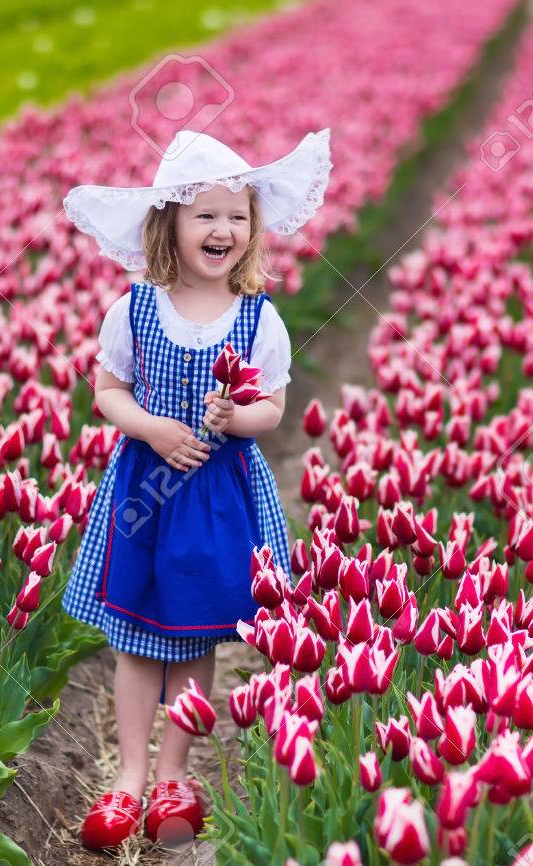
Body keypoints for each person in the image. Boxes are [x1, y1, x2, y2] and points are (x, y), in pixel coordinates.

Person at [59, 127, 331, 849]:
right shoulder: (136, 308)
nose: (223, 229)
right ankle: (128, 778)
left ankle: (175, 773)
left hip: (217, 495)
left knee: (192, 635)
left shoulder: (257, 316)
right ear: (168, 225)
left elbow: (273, 408)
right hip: (147, 489)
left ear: (252, 230)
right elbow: (106, 391)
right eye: (204, 214)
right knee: (134, 635)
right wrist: (150, 427)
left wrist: (235, 417)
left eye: (236, 216)